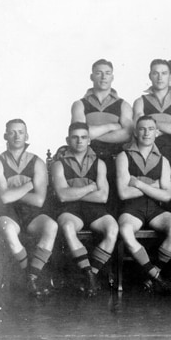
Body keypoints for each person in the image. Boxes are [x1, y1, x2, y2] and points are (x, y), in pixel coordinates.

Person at [116, 116, 171, 293]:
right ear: (136, 132)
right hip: (131, 208)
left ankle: (153, 275)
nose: (146, 133)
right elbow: (123, 193)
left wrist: (138, 184)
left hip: (155, 208)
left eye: (151, 129)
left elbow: (167, 195)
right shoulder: (124, 156)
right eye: (142, 129)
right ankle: (157, 277)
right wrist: (154, 186)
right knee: (125, 230)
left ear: (157, 132)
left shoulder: (163, 161)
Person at [51, 122, 119, 296]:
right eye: (75, 137)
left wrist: (73, 191)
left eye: (83, 137)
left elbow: (102, 196)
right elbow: (62, 196)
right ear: (68, 140)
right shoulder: (59, 164)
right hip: (70, 209)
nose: (79, 141)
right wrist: (89, 188)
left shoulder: (100, 163)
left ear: (89, 140)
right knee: (67, 227)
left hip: (95, 209)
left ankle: (91, 276)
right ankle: (89, 276)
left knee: (112, 229)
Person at [0, 119, 58, 297]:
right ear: (5, 136)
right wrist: (29, 185)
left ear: (27, 135)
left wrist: (12, 192)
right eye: (12, 132)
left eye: (20, 132)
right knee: (7, 229)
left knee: (51, 226)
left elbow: (39, 200)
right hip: (7, 213)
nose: (17, 136)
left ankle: (31, 276)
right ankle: (29, 277)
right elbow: (4, 198)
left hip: (32, 213)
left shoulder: (37, 162)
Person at [71, 59, 134, 213]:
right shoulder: (80, 104)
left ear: (112, 77)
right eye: (99, 73)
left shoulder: (123, 104)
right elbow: (79, 133)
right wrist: (111, 126)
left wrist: (91, 134)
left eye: (107, 73)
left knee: (115, 206)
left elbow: (127, 134)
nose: (103, 77)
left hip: (115, 160)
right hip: (87, 160)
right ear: (91, 77)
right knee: (91, 204)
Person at [132, 59, 171, 195]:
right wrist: (169, 124)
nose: (159, 77)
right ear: (150, 76)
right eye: (155, 73)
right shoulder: (140, 101)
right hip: (147, 152)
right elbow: (137, 128)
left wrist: (150, 124)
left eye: (164, 73)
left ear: (170, 77)